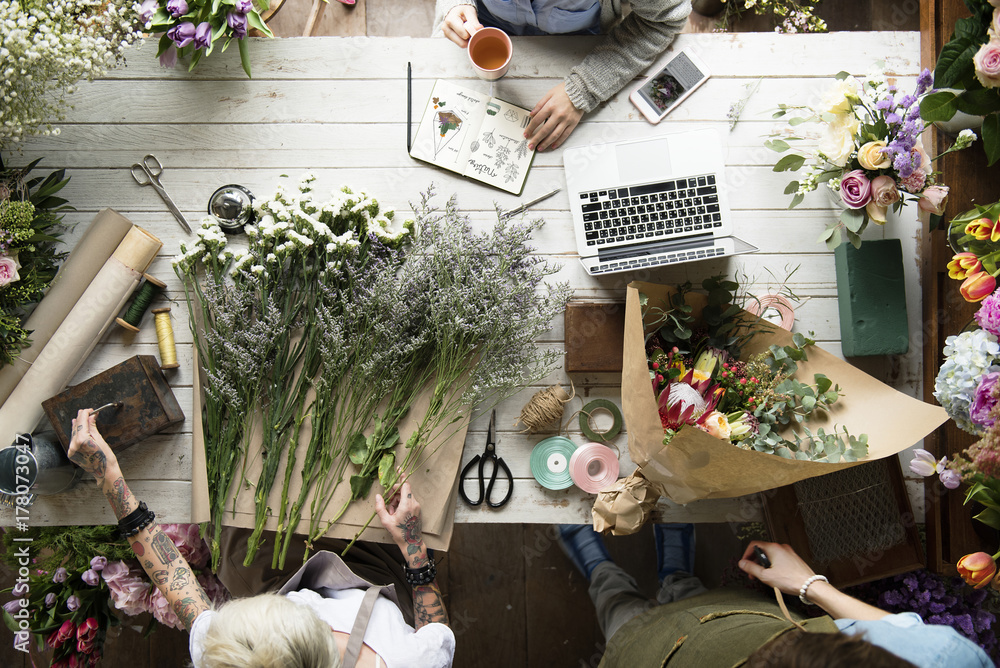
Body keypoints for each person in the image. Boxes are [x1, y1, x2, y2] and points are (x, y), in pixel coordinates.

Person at [66, 408, 455, 668]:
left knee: (242, 467)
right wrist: (413, 547)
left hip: (273, 578)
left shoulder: (230, 654)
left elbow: (175, 579)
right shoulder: (411, 662)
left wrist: (108, 475)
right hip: (377, 573)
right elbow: (435, 631)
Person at [556, 524, 993, 667]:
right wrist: (809, 585)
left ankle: (600, 571)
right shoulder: (946, 659)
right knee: (694, 593)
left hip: (652, 654)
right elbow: (894, 629)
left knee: (621, 612)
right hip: (744, 615)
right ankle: (676, 573)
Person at [434, 0, 692, 152]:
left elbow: (668, 16)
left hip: (584, 53)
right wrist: (455, 4)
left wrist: (586, 86)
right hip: (471, 41)